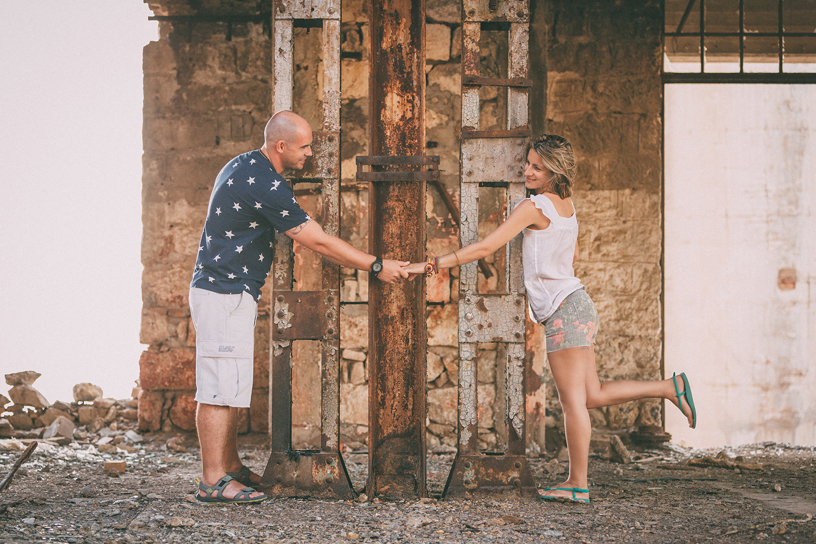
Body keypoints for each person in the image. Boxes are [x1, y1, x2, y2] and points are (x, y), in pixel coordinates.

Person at [405, 133, 697, 504]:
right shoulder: (566, 205)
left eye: (536, 168)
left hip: (564, 311)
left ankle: (578, 483)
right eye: (527, 163)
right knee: (592, 395)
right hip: (576, 305)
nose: (527, 170)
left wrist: (432, 264)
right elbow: (572, 255)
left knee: (573, 402)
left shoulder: (535, 207)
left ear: (554, 172)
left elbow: (486, 246)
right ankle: (670, 388)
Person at [189, 111, 409, 504]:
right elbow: (319, 241)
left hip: (228, 290)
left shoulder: (242, 163)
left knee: (231, 385)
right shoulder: (265, 184)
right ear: (281, 146)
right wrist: (375, 264)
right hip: (222, 293)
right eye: (304, 146)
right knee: (218, 389)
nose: (310, 153)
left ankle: (231, 467)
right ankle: (212, 482)